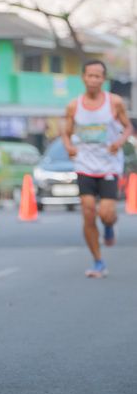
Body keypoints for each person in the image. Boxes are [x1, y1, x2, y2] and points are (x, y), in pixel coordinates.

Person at [62, 60, 134, 278]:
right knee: (88, 212)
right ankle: (98, 262)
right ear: (83, 78)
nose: (94, 80)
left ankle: (109, 226)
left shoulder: (114, 102)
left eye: (98, 76)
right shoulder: (74, 106)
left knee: (106, 214)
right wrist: (69, 147)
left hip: (109, 165)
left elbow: (128, 127)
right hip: (84, 165)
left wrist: (119, 142)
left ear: (104, 79)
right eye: (90, 75)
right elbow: (66, 132)